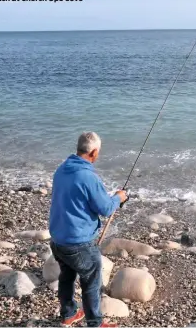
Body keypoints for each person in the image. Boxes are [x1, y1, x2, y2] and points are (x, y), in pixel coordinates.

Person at [49, 132, 128, 327]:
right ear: (93, 152)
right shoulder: (88, 176)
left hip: (58, 239)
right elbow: (105, 209)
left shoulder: (61, 169)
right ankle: (95, 323)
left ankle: (68, 314)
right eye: (98, 152)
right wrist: (119, 197)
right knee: (91, 281)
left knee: (66, 277)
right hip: (78, 243)